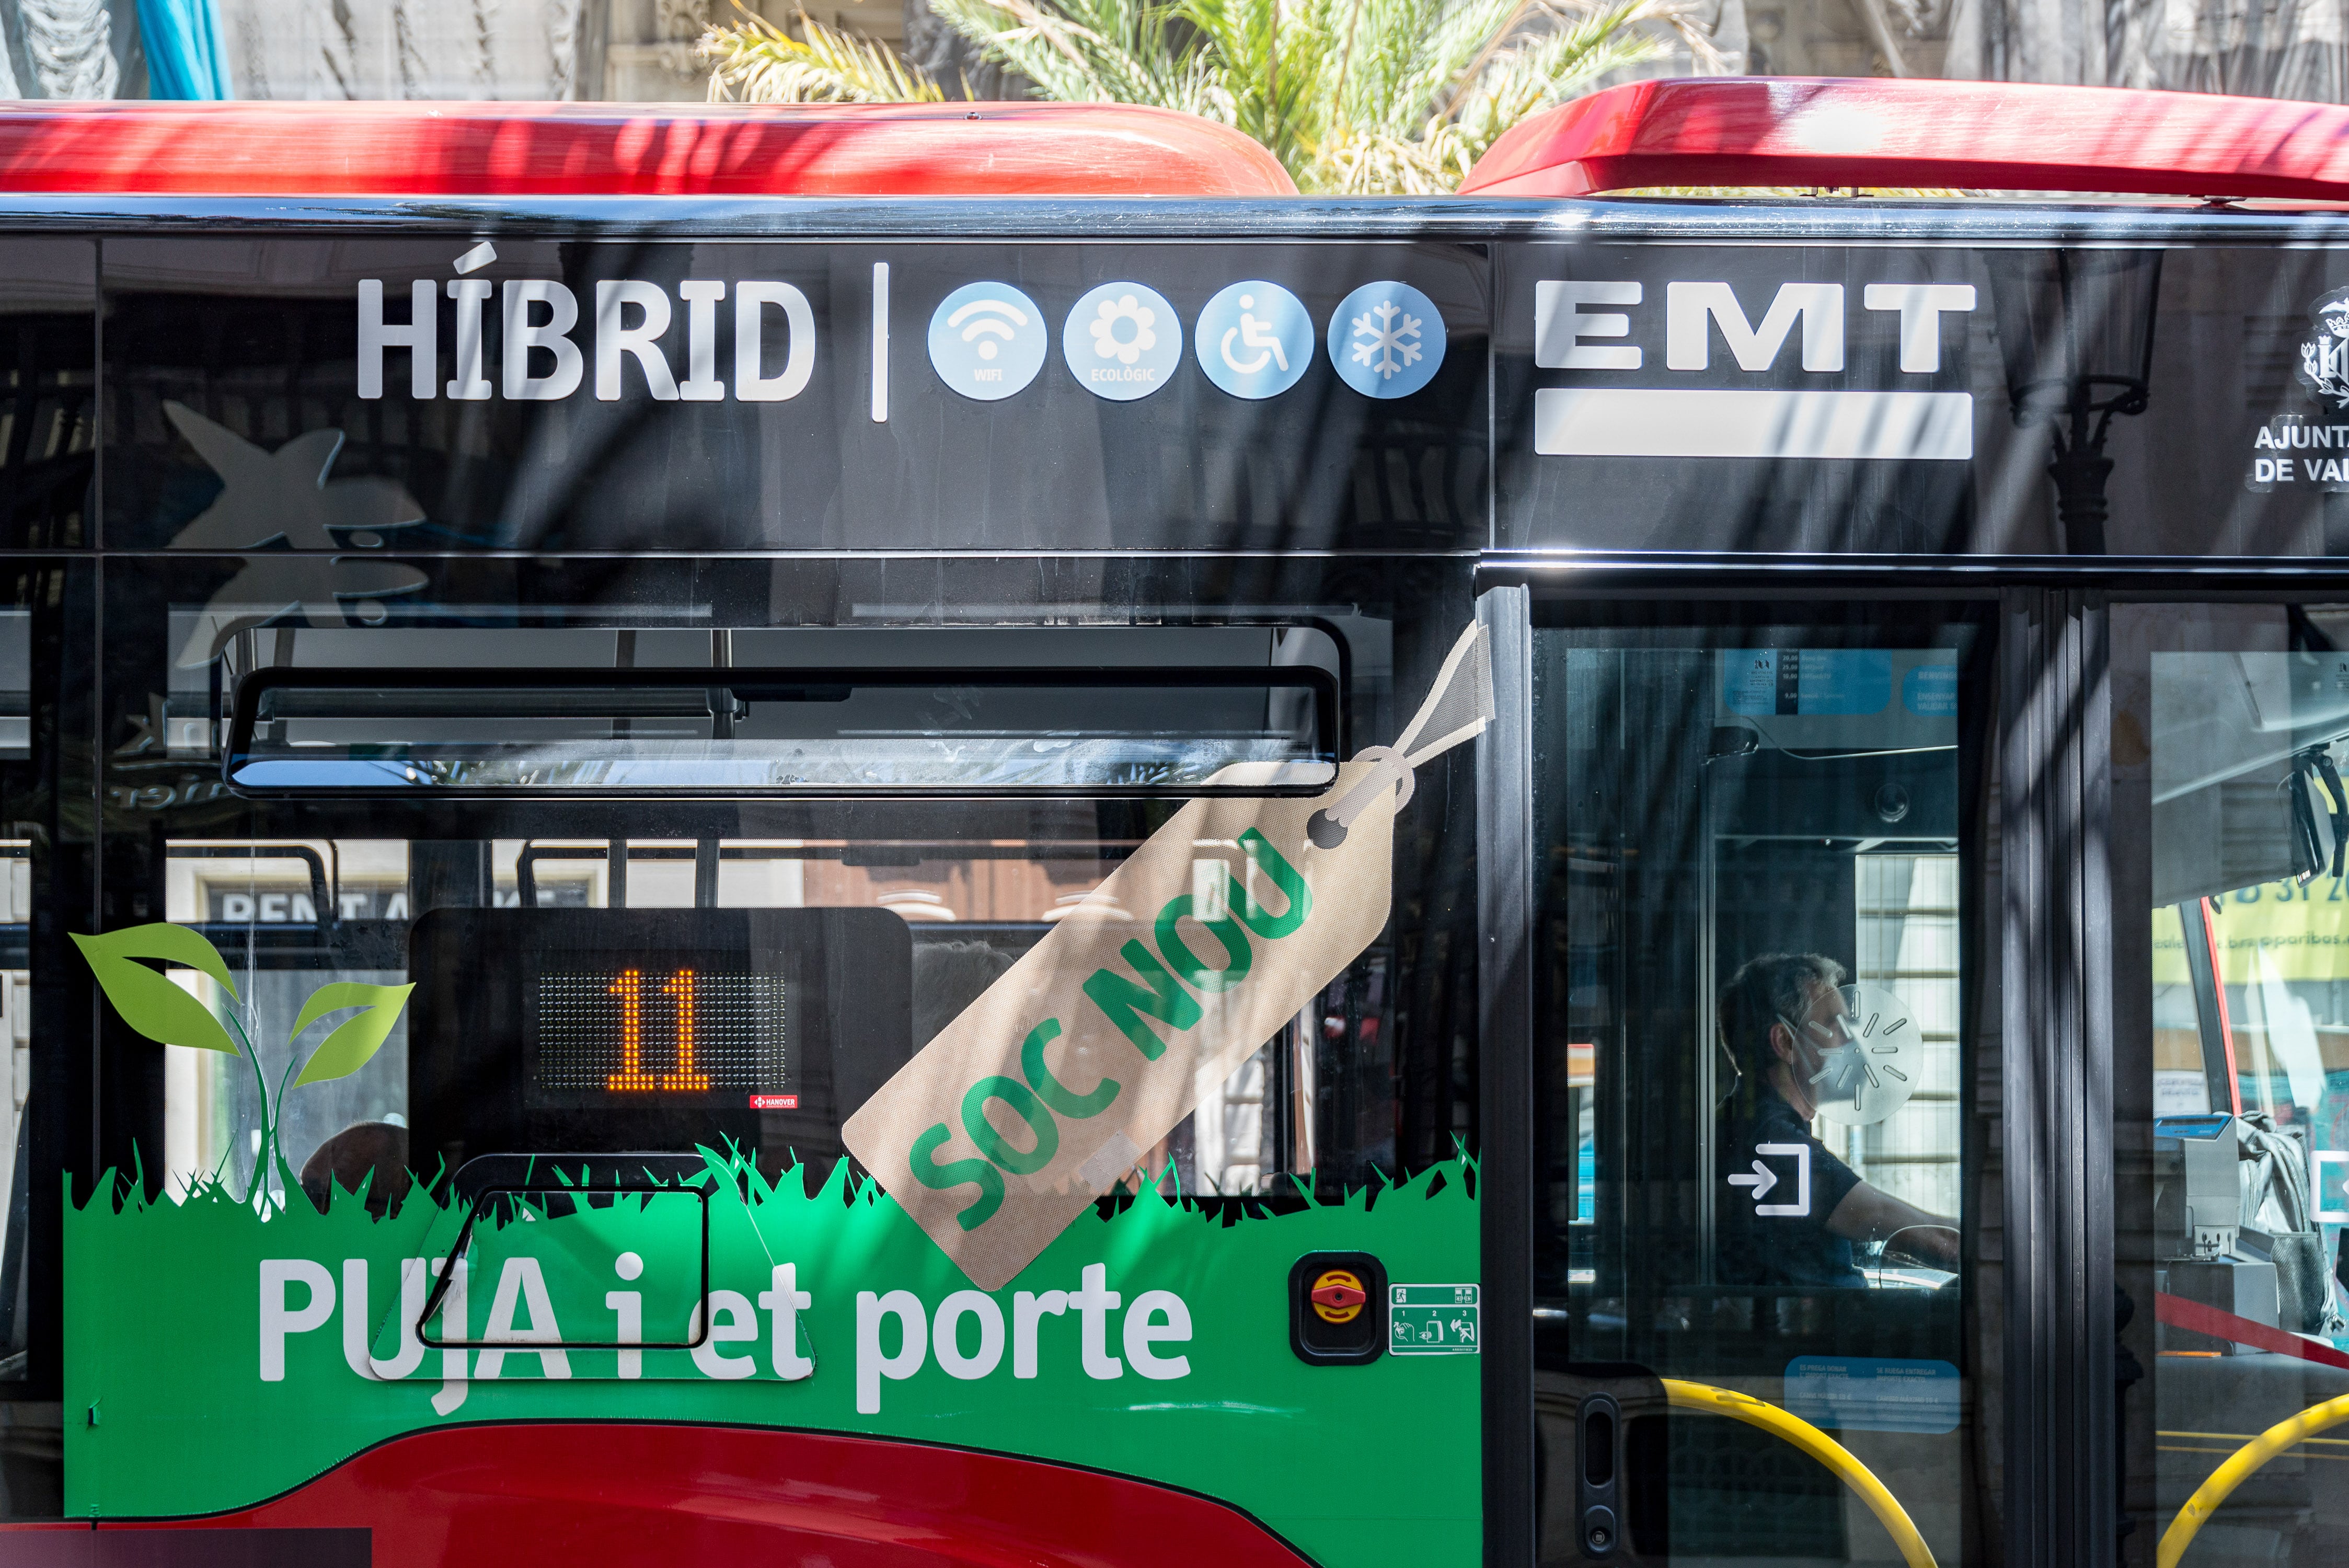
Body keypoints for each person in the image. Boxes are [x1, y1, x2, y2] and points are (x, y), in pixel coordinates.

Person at [1715, 953, 1959, 1286]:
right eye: (1837, 1027)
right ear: (1786, 1042)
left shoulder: (1750, 1123)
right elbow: (1920, 1232)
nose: (1853, 1043)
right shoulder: (1775, 1141)